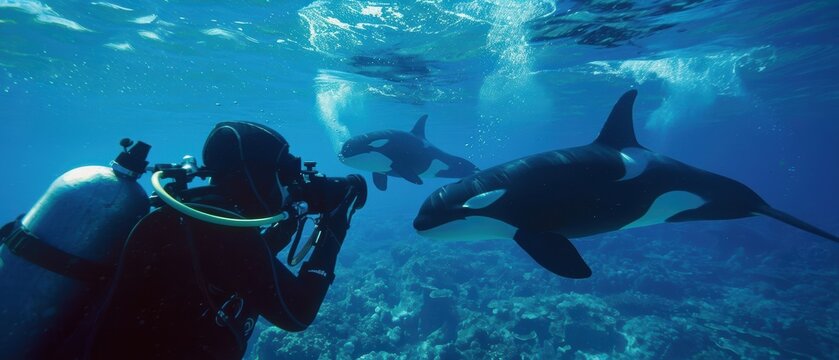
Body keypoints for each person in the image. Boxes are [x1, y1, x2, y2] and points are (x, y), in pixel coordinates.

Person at [77, 121, 366, 359]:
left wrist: (286, 223)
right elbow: (297, 313)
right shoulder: (222, 230)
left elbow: (240, 268)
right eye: (284, 173)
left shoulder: (196, 213)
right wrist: (338, 223)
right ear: (258, 175)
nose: (293, 183)